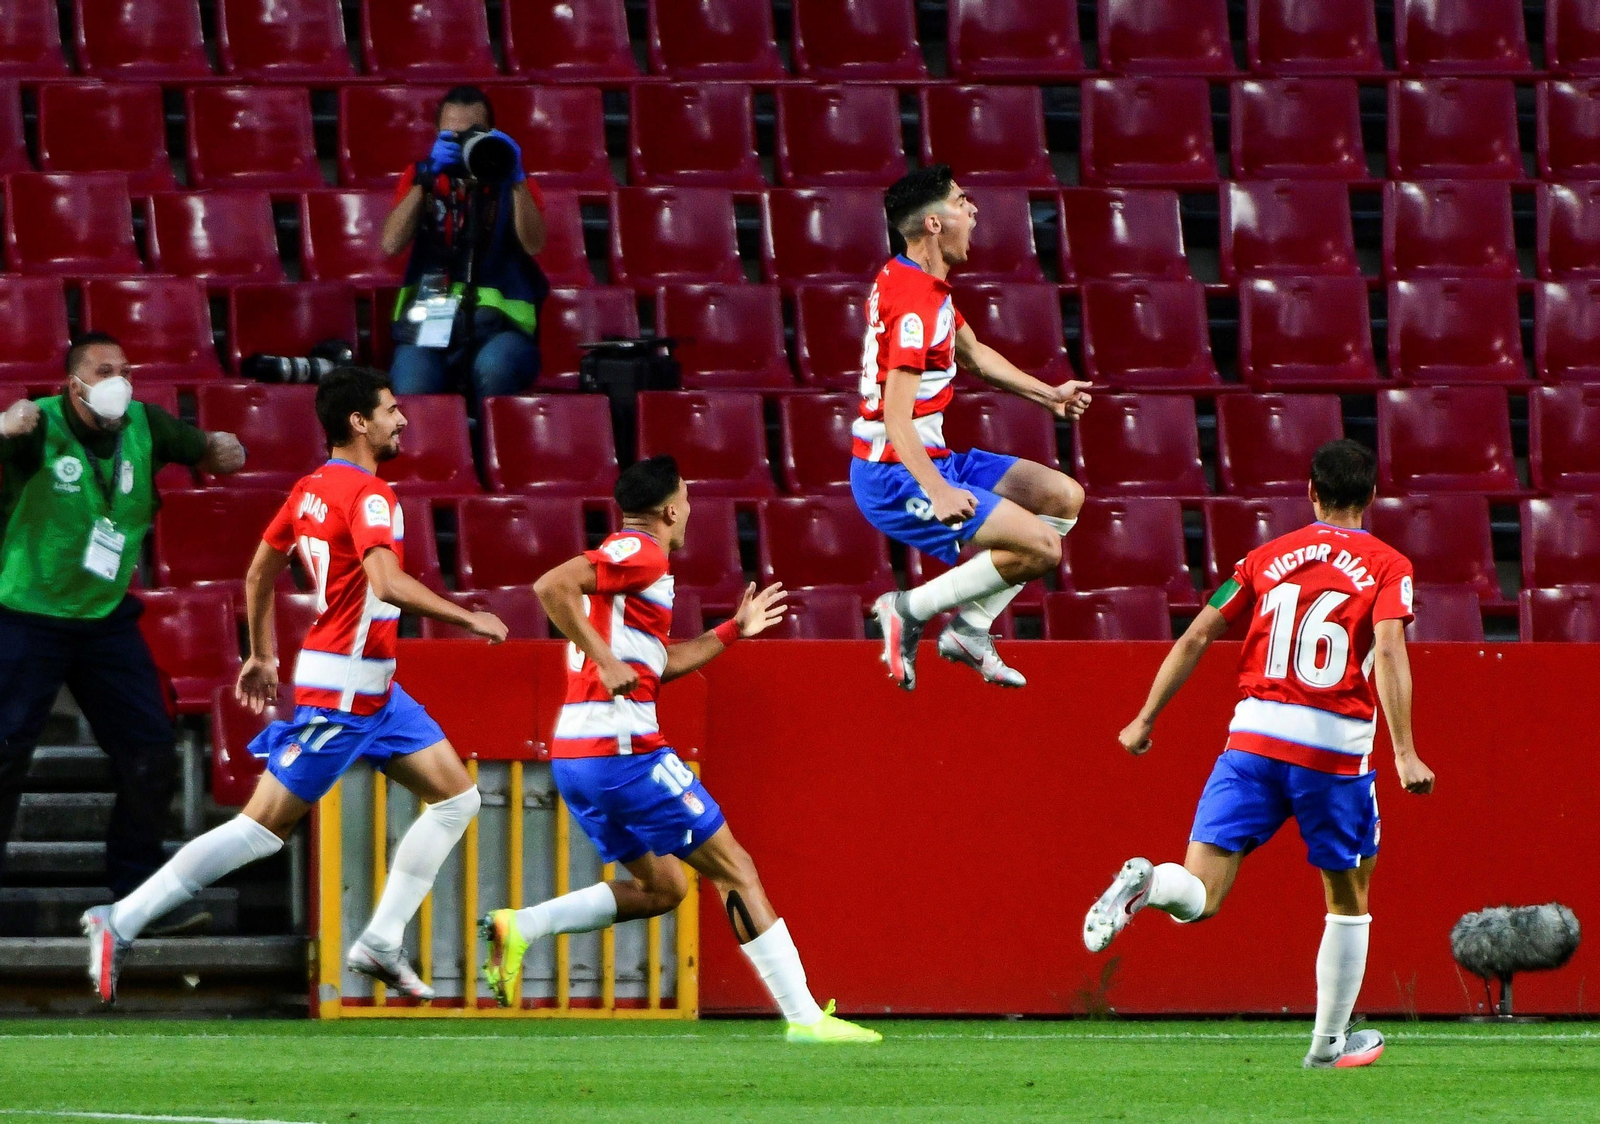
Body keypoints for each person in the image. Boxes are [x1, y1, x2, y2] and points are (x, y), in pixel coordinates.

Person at [82, 367, 509, 1005]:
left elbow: (259, 572)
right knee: (261, 828)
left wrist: (262, 654)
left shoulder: (310, 488)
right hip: (342, 692)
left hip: (377, 691)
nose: (402, 421)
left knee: (458, 800)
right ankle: (120, 919)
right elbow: (387, 583)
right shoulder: (370, 495)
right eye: (391, 410)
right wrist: (469, 616)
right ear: (359, 422)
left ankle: (382, 942)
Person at [479, 456, 880, 1045]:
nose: (689, 510)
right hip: (624, 754)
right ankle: (805, 1019)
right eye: (687, 501)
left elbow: (660, 664)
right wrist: (606, 659)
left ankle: (524, 925)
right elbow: (550, 586)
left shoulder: (633, 581)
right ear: (670, 510)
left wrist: (732, 630)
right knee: (736, 869)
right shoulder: (641, 552)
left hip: (578, 758)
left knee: (664, 888)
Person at [1082, 440, 1437, 1070]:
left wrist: (1144, 719)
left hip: (1250, 741)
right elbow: (1387, 649)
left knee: (1200, 895)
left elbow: (1197, 633)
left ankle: (1152, 883)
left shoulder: (1261, 559)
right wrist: (1405, 752)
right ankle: (1328, 1045)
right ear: (1372, 497)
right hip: (1332, 751)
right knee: (1348, 899)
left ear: (1311, 491)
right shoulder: (1389, 565)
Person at [0, 333, 245, 932]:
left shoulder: (147, 424)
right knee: (5, 757)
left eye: (125, 369)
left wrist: (220, 450)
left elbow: (206, 450)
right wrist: (5, 427)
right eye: (103, 370)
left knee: (149, 752)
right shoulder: (38, 426)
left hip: (105, 618)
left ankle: (136, 898)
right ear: (73, 384)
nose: (119, 380)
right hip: (28, 615)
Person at [855, 165, 1094, 691]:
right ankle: (907, 608)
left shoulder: (921, 282)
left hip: (933, 455)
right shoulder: (914, 306)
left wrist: (1047, 394)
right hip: (895, 472)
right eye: (962, 201)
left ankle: (970, 628)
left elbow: (975, 355)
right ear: (935, 224)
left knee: (1062, 496)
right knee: (1042, 549)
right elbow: (896, 417)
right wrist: (937, 491)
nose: (974, 210)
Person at [380, 85, 549, 408]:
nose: (462, 144)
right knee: (411, 382)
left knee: (495, 367)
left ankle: (497, 457)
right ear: (437, 135)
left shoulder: (515, 183)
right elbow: (390, 244)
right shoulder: (421, 176)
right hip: (429, 322)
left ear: (492, 133)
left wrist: (514, 178)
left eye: (473, 134)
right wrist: (427, 180)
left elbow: (535, 244)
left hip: (501, 329)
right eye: (451, 136)